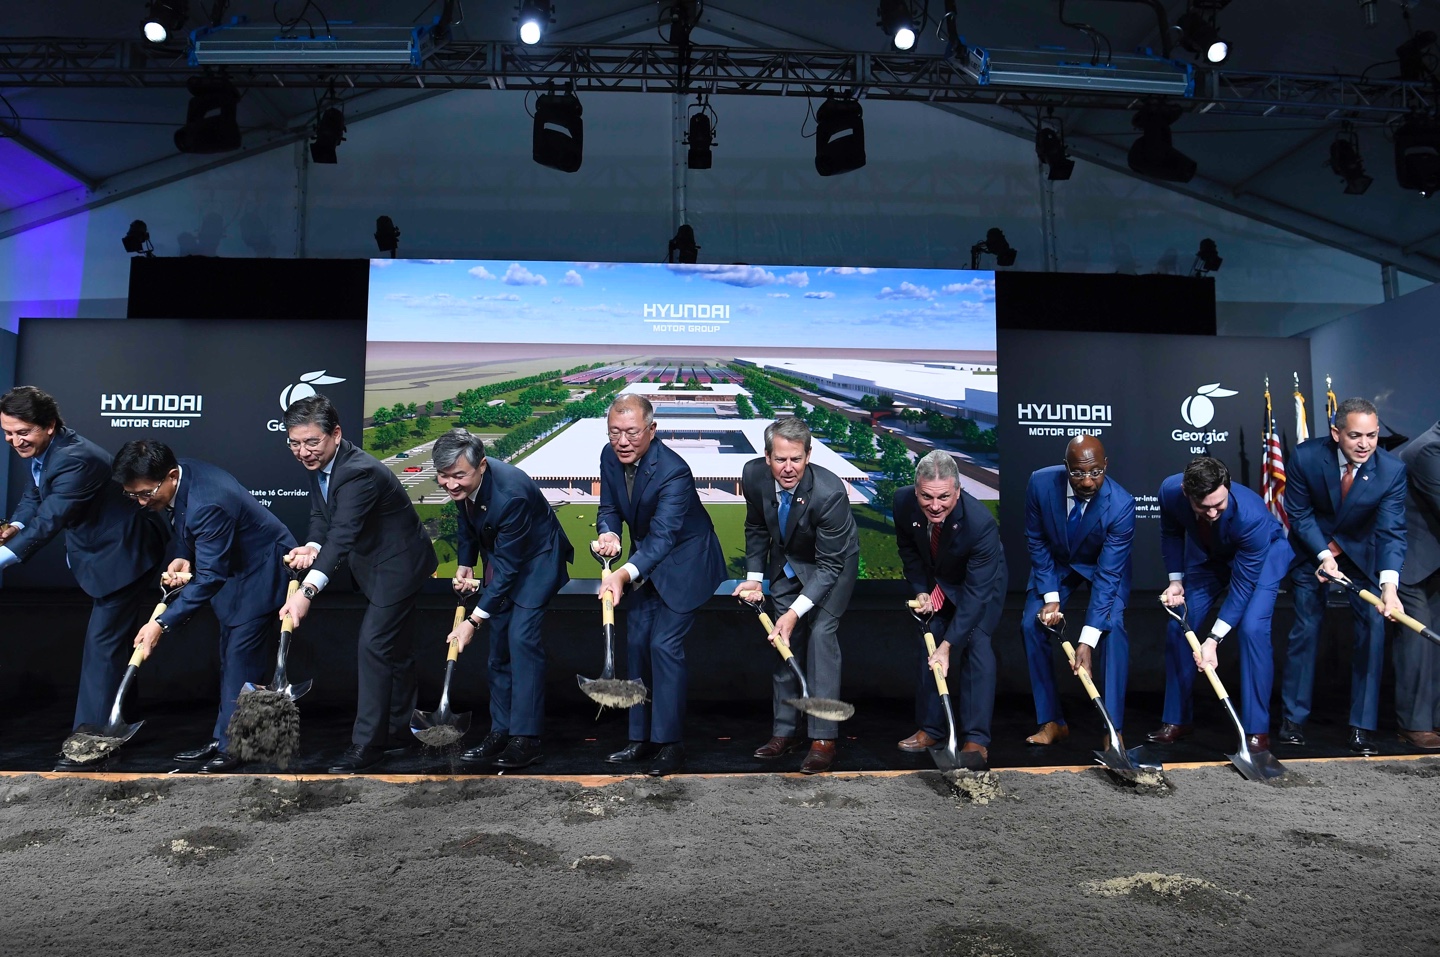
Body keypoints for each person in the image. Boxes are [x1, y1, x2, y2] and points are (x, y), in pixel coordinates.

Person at [0, 386, 167, 770]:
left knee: (102, 646)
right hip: (102, 552)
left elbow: (49, 520)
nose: (14, 441)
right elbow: (35, 496)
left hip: (124, 554)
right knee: (113, 643)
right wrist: (14, 525)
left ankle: (90, 742)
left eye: (22, 432)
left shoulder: (77, 459)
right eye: (7, 433)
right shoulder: (49, 450)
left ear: (49, 425)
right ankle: (118, 716)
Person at [276, 395, 437, 774]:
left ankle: (367, 745)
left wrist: (306, 592)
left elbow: (343, 535)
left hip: (399, 565)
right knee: (394, 651)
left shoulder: (357, 472)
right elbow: (321, 514)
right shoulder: (322, 463)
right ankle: (398, 731)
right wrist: (312, 546)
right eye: (295, 443)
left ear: (336, 434)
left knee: (374, 646)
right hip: (376, 563)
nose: (303, 452)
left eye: (311, 442)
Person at [112, 440, 294, 772]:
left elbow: (210, 576)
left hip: (260, 569)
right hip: (234, 570)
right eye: (132, 494)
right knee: (231, 655)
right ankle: (224, 738)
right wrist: (183, 554)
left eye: (145, 494)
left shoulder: (208, 502)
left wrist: (160, 624)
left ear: (169, 476)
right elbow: (185, 523)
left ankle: (237, 749)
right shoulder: (181, 473)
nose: (140, 502)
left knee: (241, 659)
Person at [595, 394, 726, 777]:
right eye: (615, 432)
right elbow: (609, 508)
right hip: (646, 563)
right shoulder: (608, 456)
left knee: (662, 645)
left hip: (685, 562)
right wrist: (609, 535)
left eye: (632, 433)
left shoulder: (674, 471)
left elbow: (664, 538)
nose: (622, 441)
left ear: (652, 430)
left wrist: (621, 574)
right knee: (636, 643)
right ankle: (640, 739)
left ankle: (670, 745)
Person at [434, 429, 573, 769]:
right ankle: (501, 730)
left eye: (458, 477)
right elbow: (466, 517)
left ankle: (525, 739)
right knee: (499, 648)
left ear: (481, 466)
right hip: (504, 555)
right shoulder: (465, 483)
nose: (450, 484)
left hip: (537, 561)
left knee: (520, 639)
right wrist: (465, 563)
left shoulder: (511, 495)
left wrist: (472, 622)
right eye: (443, 476)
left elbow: (511, 571)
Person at [1279, 397, 1407, 755]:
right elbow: (1299, 515)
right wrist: (1324, 554)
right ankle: (1293, 721)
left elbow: (1391, 532)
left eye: (1371, 435)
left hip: (1362, 556)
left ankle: (1361, 727)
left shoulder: (1391, 471)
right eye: (1355, 435)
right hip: (1312, 550)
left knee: (1374, 629)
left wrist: (1389, 586)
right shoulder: (1306, 457)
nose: (1364, 444)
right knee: (1305, 629)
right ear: (1336, 433)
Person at [733, 417, 859, 774]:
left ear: (808, 456)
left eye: (797, 459)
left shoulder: (830, 492)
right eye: (780, 459)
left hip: (833, 563)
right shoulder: (754, 475)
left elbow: (829, 567)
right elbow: (756, 527)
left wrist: (792, 613)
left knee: (819, 635)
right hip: (789, 560)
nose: (788, 468)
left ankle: (823, 739)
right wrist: (755, 579)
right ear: (767, 455)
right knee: (784, 640)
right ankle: (784, 731)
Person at [1150, 456, 1291, 751]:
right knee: (1179, 625)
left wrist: (1213, 639)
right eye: (1204, 507)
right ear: (1187, 494)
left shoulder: (1250, 514)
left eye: (1219, 504)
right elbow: (1171, 533)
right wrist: (1175, 580)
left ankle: (1256, 731)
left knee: (1252, 628)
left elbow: (1241, 587)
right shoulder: (1169, 491)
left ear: (1227, 487)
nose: (1212, 512)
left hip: (1262, 556)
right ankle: (1177, 719)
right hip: (1210, 555)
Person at [1020, 435, 1134, 747]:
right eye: (1079, 473)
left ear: (1106, 465)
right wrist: (1051, 596)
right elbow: (1036, 540)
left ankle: (1113, 729)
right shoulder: (1040, 484)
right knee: (1032, 624)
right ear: (1066, 468)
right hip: (1057, 563)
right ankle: (1052, 721)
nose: (1087, 482)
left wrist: (1087, 640)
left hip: (1101, 567)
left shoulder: (1122, 504)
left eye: (1096, 472)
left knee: (1113, 627)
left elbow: (1110, 575)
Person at [894, 450, 1007, 765]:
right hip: (937, 580)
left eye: (944, 497)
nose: (935, 505)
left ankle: (975, 739)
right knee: (929, 644)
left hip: (979, 585)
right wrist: (921, 590)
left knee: (976, 644)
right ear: (916, 490)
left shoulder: (980, 524)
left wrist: (948, 646)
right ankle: (931, 728)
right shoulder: (903, 502)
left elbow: (974, 596)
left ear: (958, 491)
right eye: (926, 497)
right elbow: (909, 551)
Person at [1394, 419, 1440, 749]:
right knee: (1420, 645)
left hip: (1435, 562)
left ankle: (1433, 720)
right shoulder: (1428, 450)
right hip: (1414, 564)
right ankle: (1414, 724)